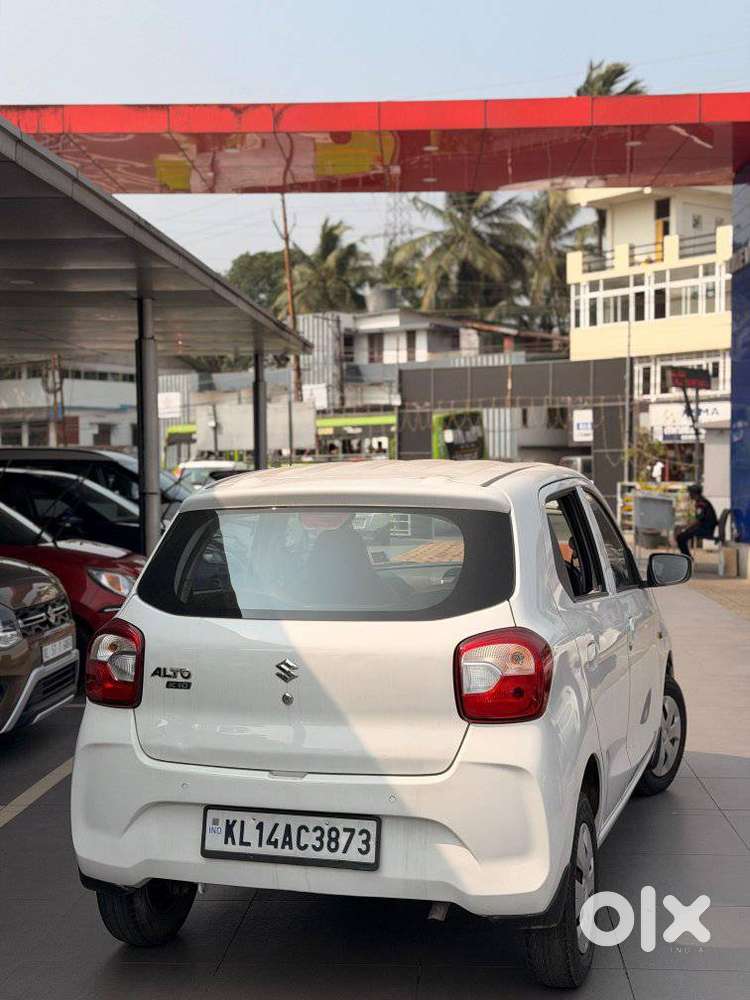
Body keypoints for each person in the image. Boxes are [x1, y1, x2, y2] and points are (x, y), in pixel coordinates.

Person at [676, 483, 717, 556]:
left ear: (694, 494)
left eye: (690, 493)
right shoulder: (703, 501)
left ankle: (688, 558)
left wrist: (686, 528)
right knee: (682, 535)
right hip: (706, 528)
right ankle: (687, 557)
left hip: (705, 530)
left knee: (680, 538)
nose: (689, 495)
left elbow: (698, 520)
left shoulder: (701, 503)